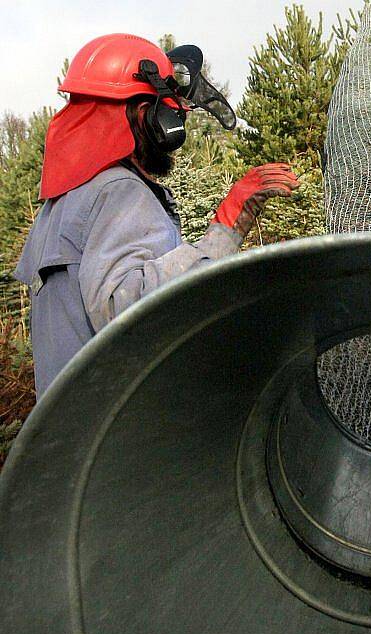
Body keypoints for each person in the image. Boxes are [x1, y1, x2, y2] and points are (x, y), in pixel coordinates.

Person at [15, 34, 299, 396]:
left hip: (69, 439)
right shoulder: (119, 192)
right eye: (169, 110)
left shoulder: (60, 205)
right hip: (121, 437)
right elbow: (132, 312)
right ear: (146, 115)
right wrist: (226, 227)